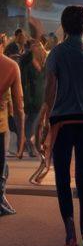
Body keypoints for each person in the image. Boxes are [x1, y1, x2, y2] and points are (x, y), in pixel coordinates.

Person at [37, 5, 83, 246]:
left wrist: (44, 119)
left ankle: (70, 236)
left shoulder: (56, 53)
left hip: (62, 121)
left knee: (62, 179)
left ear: (64, 26)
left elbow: (50, 89)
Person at [0, 47, 25, 214]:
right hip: (0, 126)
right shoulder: (10, 66)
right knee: (1, 165)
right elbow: (19, 105)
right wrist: (22, 137)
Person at [19, 39, 47, 158]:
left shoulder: (32, 66)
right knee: (37, 122)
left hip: (34, 97)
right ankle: (33, 143)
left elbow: (25, 84)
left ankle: (32, 144)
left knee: (33, 122)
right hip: (39, 98)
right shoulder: (43, 66)